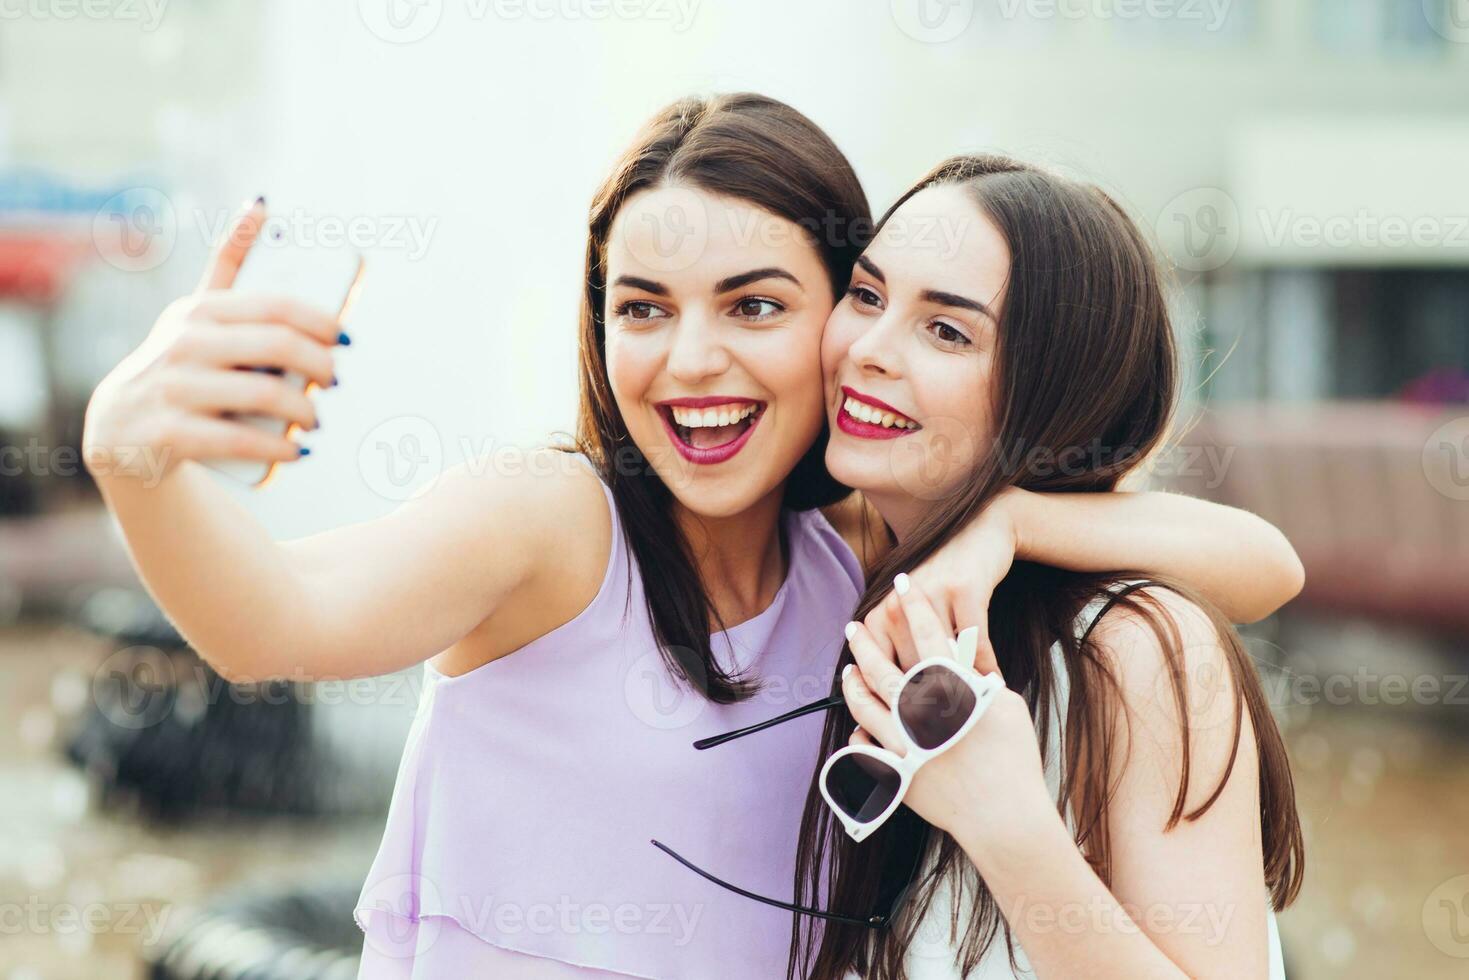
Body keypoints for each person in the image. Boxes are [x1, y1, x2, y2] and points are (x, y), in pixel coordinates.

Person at [81, 100, 1301, 979]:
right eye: (641, 309)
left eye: (756, 304)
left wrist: (1009, 521)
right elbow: (276, 619)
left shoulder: (859, 562)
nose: (690, 361)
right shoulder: (554, 520)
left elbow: (1261, 564)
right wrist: (138, 466)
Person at [781, 155, 1303, 979]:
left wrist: (1000, 817)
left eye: (947, 329)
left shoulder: (1133, 651)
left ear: (1054, 391)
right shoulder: (829, 568)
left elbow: (1272, 566)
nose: (868, 350)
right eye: (867, 295)